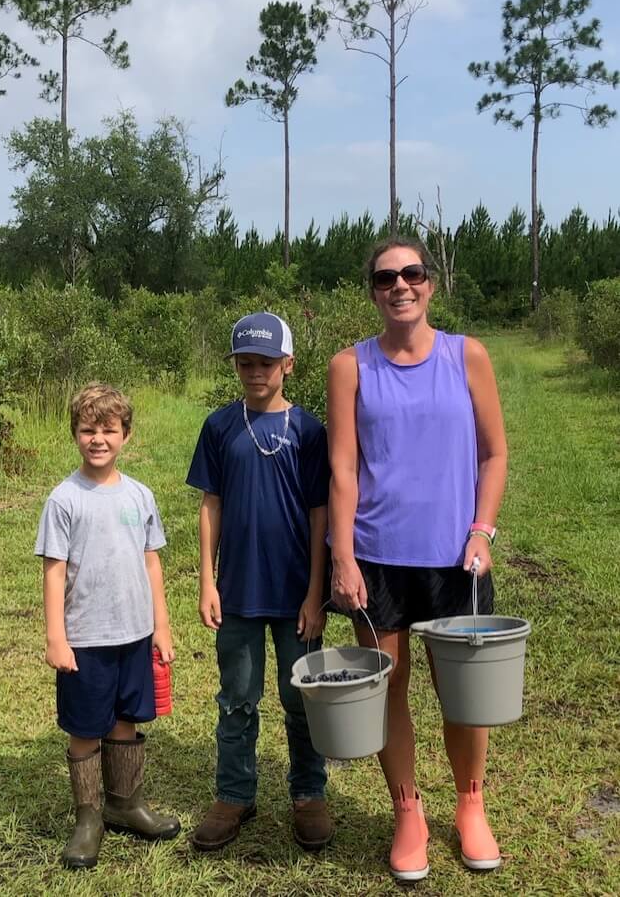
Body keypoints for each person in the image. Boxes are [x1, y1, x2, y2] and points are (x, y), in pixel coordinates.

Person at [327, 238, 508, 881]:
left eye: (412, 274)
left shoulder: (468, 356)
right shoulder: (350, 366)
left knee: (462, 690)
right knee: (388, 687)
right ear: (372, 291)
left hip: (455, 560)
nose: (399, 285)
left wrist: (482, 530)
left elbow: (494, 453)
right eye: (385, 278)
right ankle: (407, 810)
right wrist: (342, 556)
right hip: (377, 557)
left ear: (430, 284)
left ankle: (470, 804)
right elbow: (343, 467)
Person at [186, 312, 334, 852]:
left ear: (288, 365)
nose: (255, 372)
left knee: (303, 699)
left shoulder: (309, 431)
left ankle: (308, 793)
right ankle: (234, 794)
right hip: (239, 592)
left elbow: (321, 514)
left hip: (298, 594)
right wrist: (208, 579)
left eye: (266, 362)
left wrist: (317, 593)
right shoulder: (221, 426)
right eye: (245, 362)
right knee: (237, 698)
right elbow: (211, 504)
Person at [35, 382, 180, 869]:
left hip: (134, 634)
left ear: (127, 435)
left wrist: (160, 626)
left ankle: (125, 803)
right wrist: (56, 635)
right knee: (85, 725)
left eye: (108, 430)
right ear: (74, 434)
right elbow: (54, 570)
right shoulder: (64, 499)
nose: (98, 439)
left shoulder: (140, 495)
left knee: (126, 718)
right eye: (87, 429)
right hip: (85, 638)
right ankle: (89, 816)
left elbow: (152, 563)